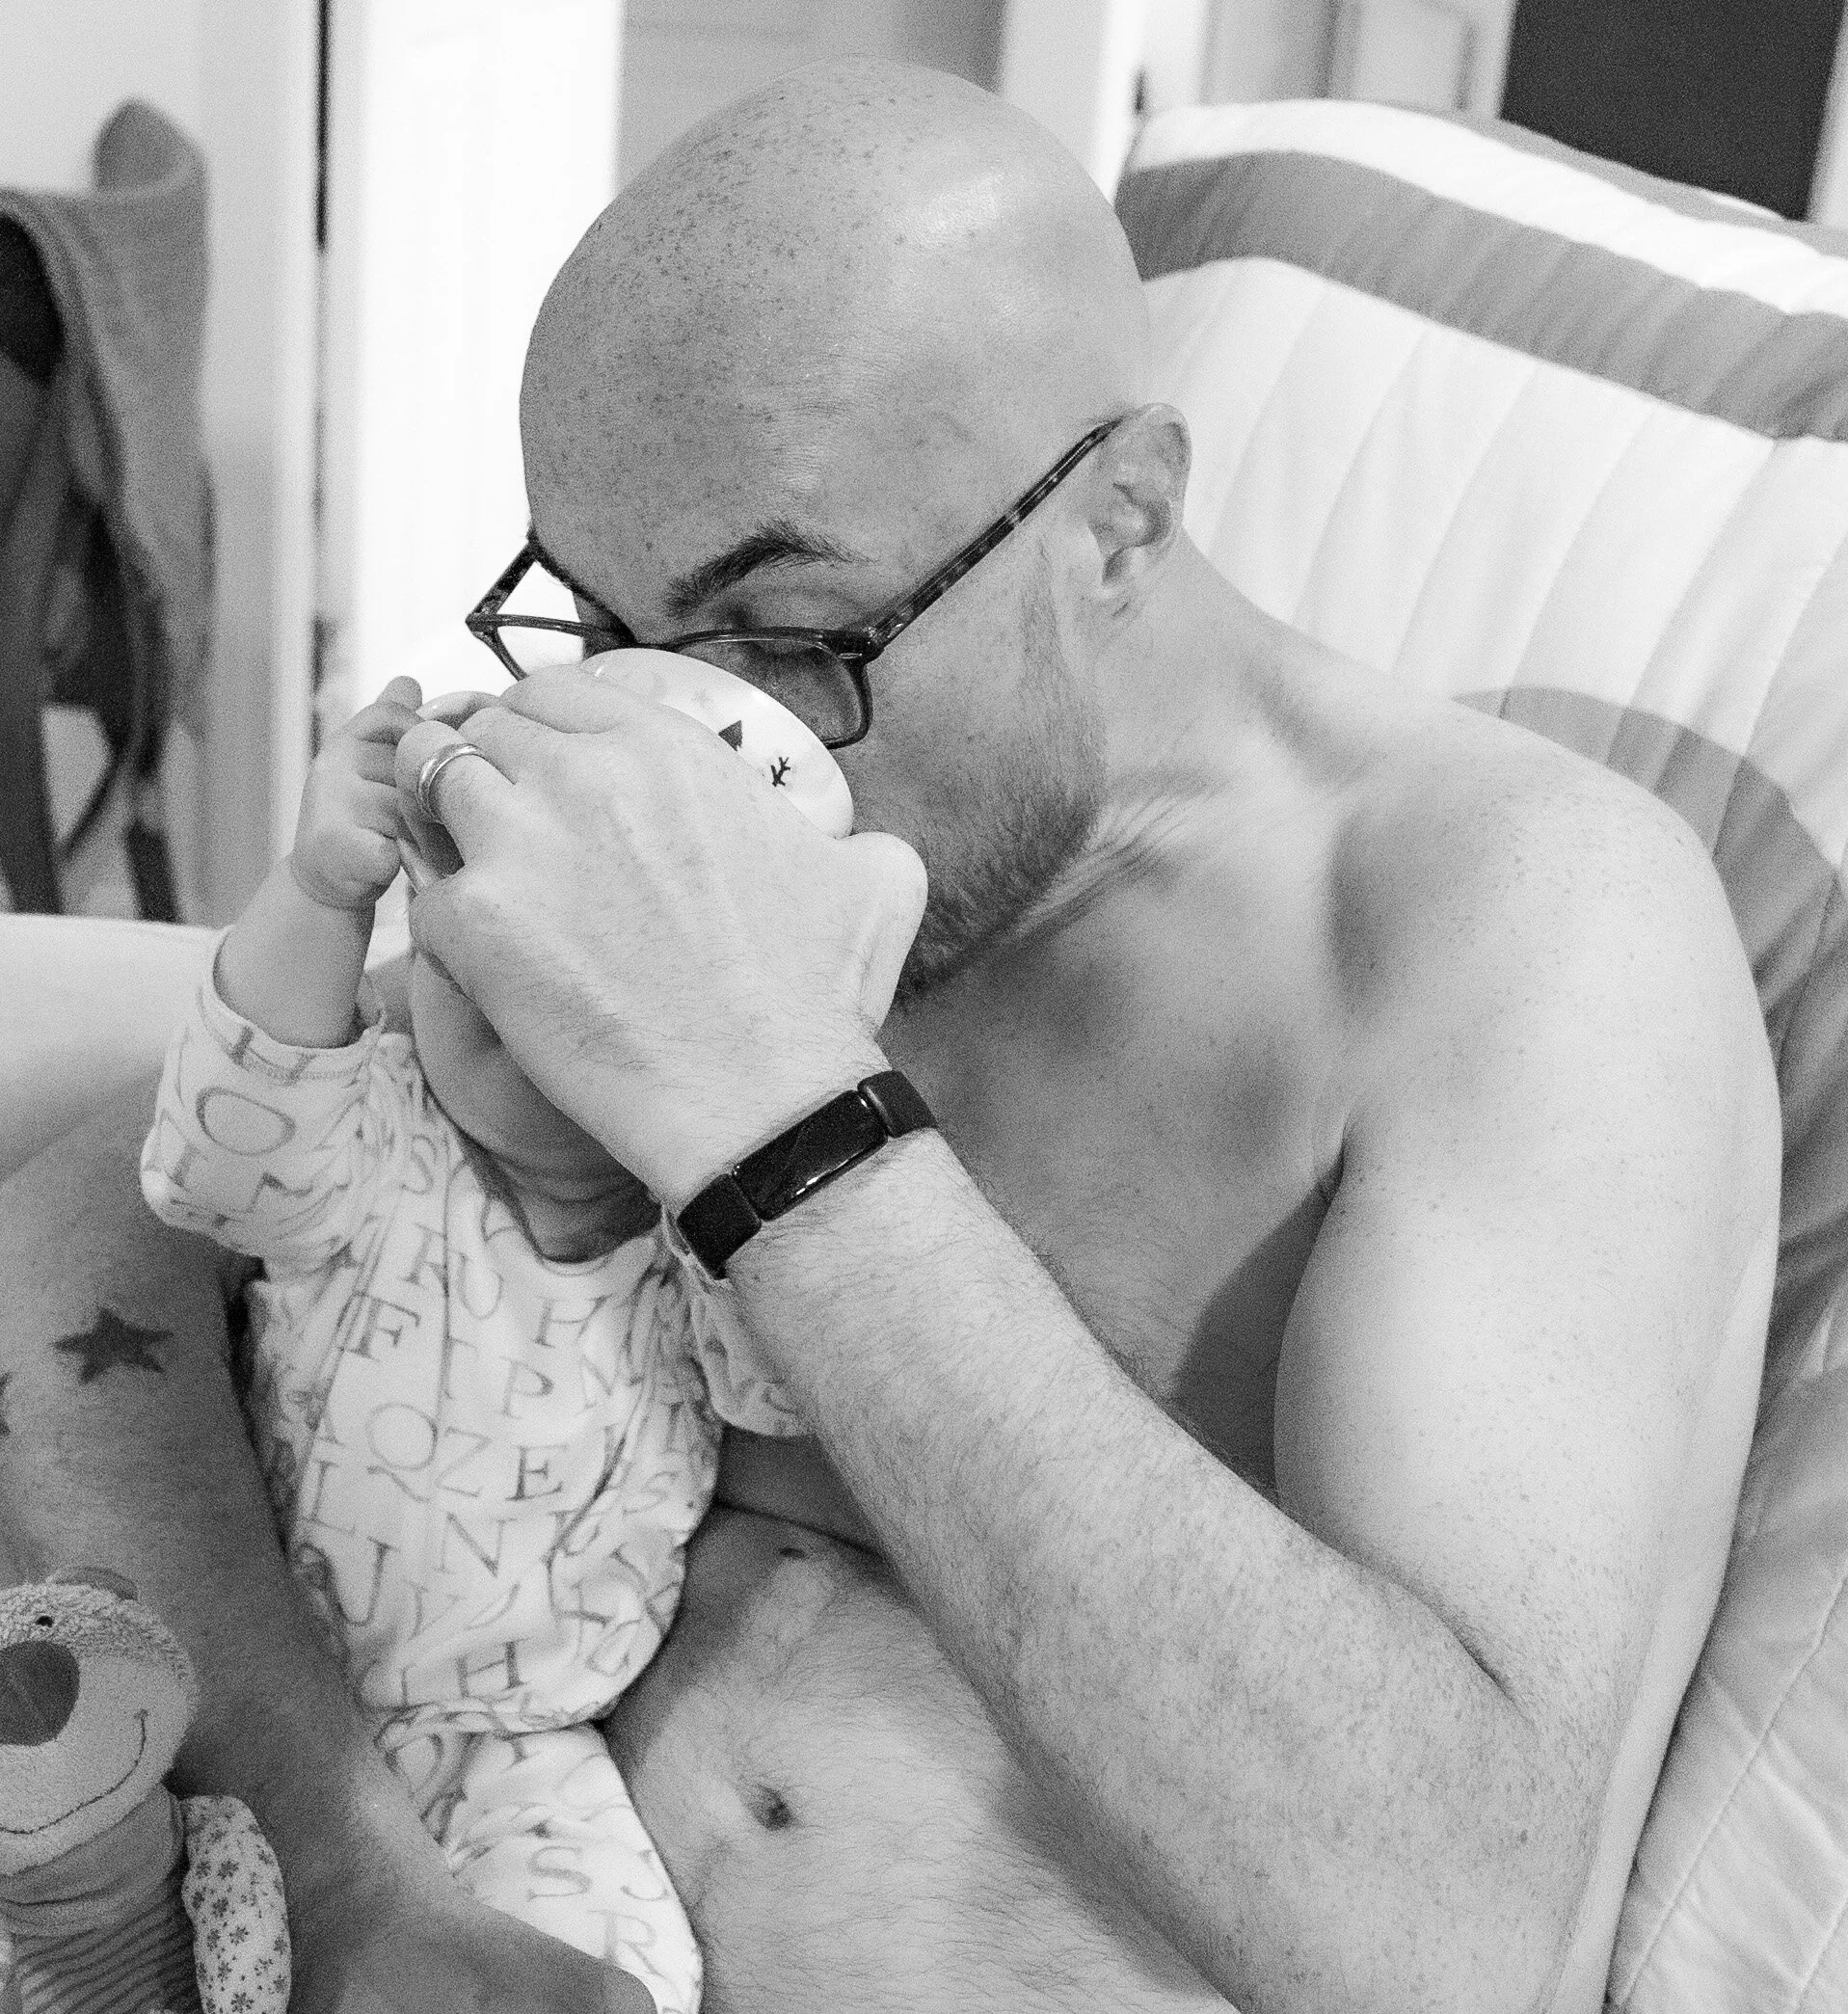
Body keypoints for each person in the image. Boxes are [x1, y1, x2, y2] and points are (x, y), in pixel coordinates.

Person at [0, 58, 1779, 2014]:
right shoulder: (671, 774)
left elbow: (1444, 1934)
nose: (687, 717)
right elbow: (105, 1234)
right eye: (599, 617)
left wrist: (773, 1112)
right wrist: (356, 1880)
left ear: (1121, 520)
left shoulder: (1507, 917)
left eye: (781, 631)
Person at [135, 678, 804, 2014]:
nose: (502, 990)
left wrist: (764, 1123)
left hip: (522, 1752)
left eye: (566, 973)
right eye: (459, 955)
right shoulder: (371, 1136)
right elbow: (211, 1164)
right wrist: (322, 892)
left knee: (612, 1972)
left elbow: (790, 1381)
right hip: (246, 1701)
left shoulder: (700, 1242)